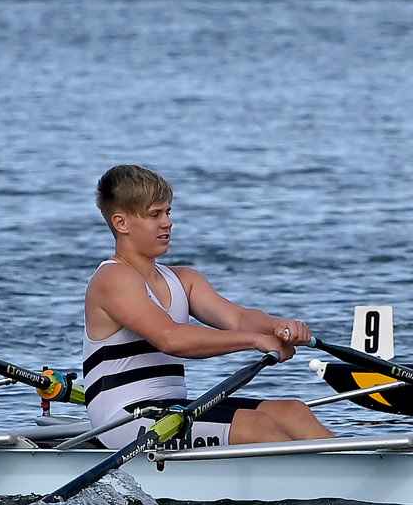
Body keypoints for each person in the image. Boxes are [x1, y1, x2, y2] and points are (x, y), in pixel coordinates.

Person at [81, 164, 332, 449]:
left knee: (294, 412)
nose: (168, 223)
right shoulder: (112, 278)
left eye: (168, 212)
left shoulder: (184, 279)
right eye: (155, 215)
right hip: (122, 422)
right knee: (257, 427)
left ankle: (355, 468)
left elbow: (237, 318)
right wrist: (255, 341)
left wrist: (277, 327)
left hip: (169, 409)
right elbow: (171, 339)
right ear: (121, 223)